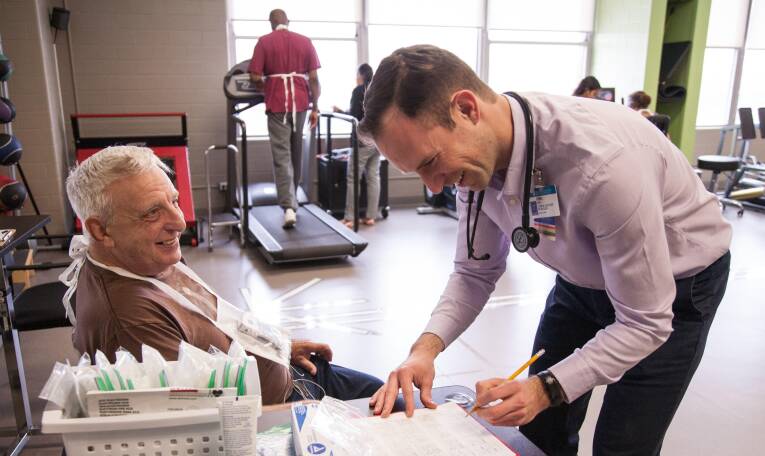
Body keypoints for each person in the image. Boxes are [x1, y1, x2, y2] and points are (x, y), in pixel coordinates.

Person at [358, 45, 731, 455]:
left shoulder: (603, 167)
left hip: (676, 286)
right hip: (581, 281)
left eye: (430, 161)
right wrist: (423, 352)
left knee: (623, 444)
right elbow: (473, 272)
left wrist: (546, 387)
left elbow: (645, 322)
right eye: (418, 172)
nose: (433, 185)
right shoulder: (473, 162)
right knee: (539, 430)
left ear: (466, 108)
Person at [61, 146, 383, 405]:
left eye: (174, 201)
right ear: (100, 230)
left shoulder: (141, 258)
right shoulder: (131, 320)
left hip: (290, 371)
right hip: (286, 406)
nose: (180, 222)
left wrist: (280, 348)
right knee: (396, 414)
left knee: (385, 393)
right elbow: (205, 419)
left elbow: (216, 324)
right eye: (152, 213)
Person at [249, 9, 321, 229]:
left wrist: (268, 87)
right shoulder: (305, 41)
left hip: (278, 104)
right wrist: (315, 108)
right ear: (288, 22)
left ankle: (289, 207)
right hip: (300, 103)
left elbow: (254, 77)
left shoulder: (264, 42)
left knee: (282, 155)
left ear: (271, 23)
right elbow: (314, 79)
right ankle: (294, 198)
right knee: (296, 151)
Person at [333, 63, 381, 228]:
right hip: (378, 140)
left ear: (360, 76)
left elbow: (353, 116)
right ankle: (371, 216)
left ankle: (349, 217)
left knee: (353, 177)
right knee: (373, 177)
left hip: (362, 140)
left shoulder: (358, 90)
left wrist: (339, 112)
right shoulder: (378, 91)